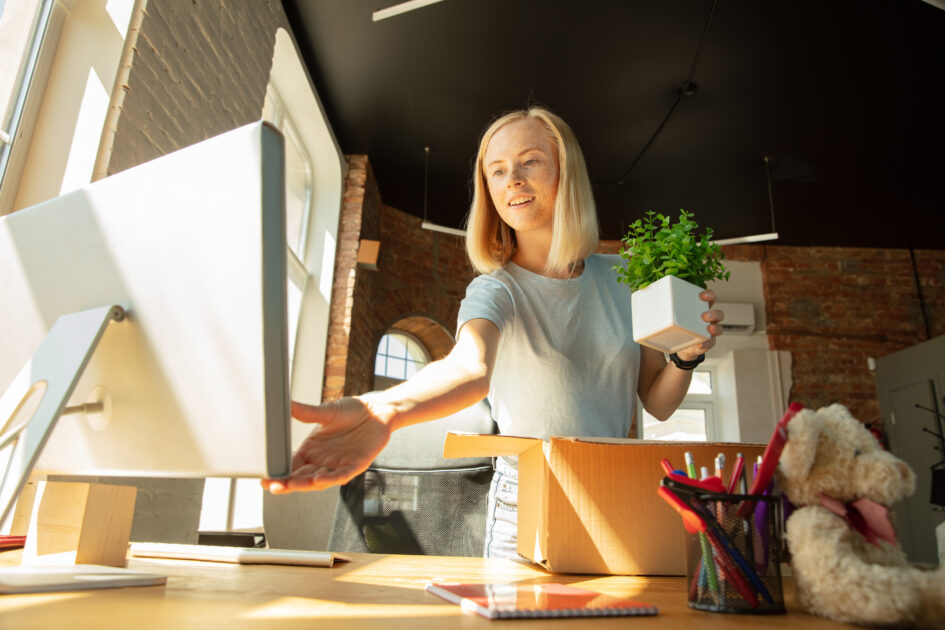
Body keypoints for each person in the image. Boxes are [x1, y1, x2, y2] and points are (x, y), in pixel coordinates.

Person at [262, 106, 724, 558]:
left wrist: (685, 357)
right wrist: (383, 409)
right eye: (497, 171)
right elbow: (469, 366)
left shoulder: (625, 278)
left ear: (567, 173)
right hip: (524, 502)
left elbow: (657, 402)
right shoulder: (495, 289)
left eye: (530, 162)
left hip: (614, 492)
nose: (514, 181)